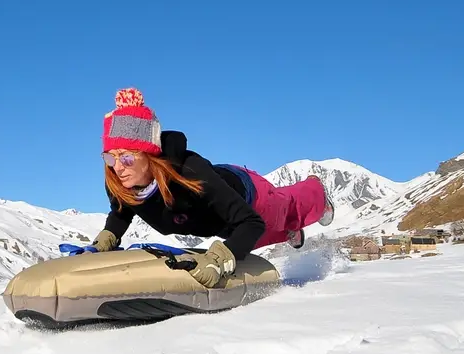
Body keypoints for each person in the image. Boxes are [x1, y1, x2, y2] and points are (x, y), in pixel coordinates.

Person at [87, 87, 334, 288]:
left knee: (281, 210)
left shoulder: (191, 175)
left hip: (250, 195)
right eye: (110, 157)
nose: (118, 167)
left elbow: (251, 222)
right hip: (221, 222)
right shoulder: (121, 179)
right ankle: (291, 232)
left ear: (150, 157)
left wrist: (219, 259)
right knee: (250, 242)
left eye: (127, 157)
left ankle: (317, 192)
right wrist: (107, 238)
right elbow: (122, 210)